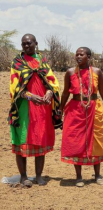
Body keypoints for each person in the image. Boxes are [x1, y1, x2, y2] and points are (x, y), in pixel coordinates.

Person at [8, 34, 61, 187]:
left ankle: (38, 176)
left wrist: (50, 93)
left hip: (42, 108)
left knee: (40, 139)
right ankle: (23, 176)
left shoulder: (42, 60)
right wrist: (30, 97)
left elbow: (52, 81)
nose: (26, 46)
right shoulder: (17, 62)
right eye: (23, 44)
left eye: (29, 43)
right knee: (22, 140)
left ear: (36, 44)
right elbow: (14, 87)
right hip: (23, 107)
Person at [59, 47, 103, 187]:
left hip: (94, 108)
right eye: (77, 54)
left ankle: (97, 175)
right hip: (75, 109)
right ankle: (78, 177)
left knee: (96, 141)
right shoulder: (70, 72)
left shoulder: (97, 72)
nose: (78, 56)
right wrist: (60, 109)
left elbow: (102, 91)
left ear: (88, 57)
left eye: (81, 54)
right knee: (75, 141)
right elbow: (66, 93)